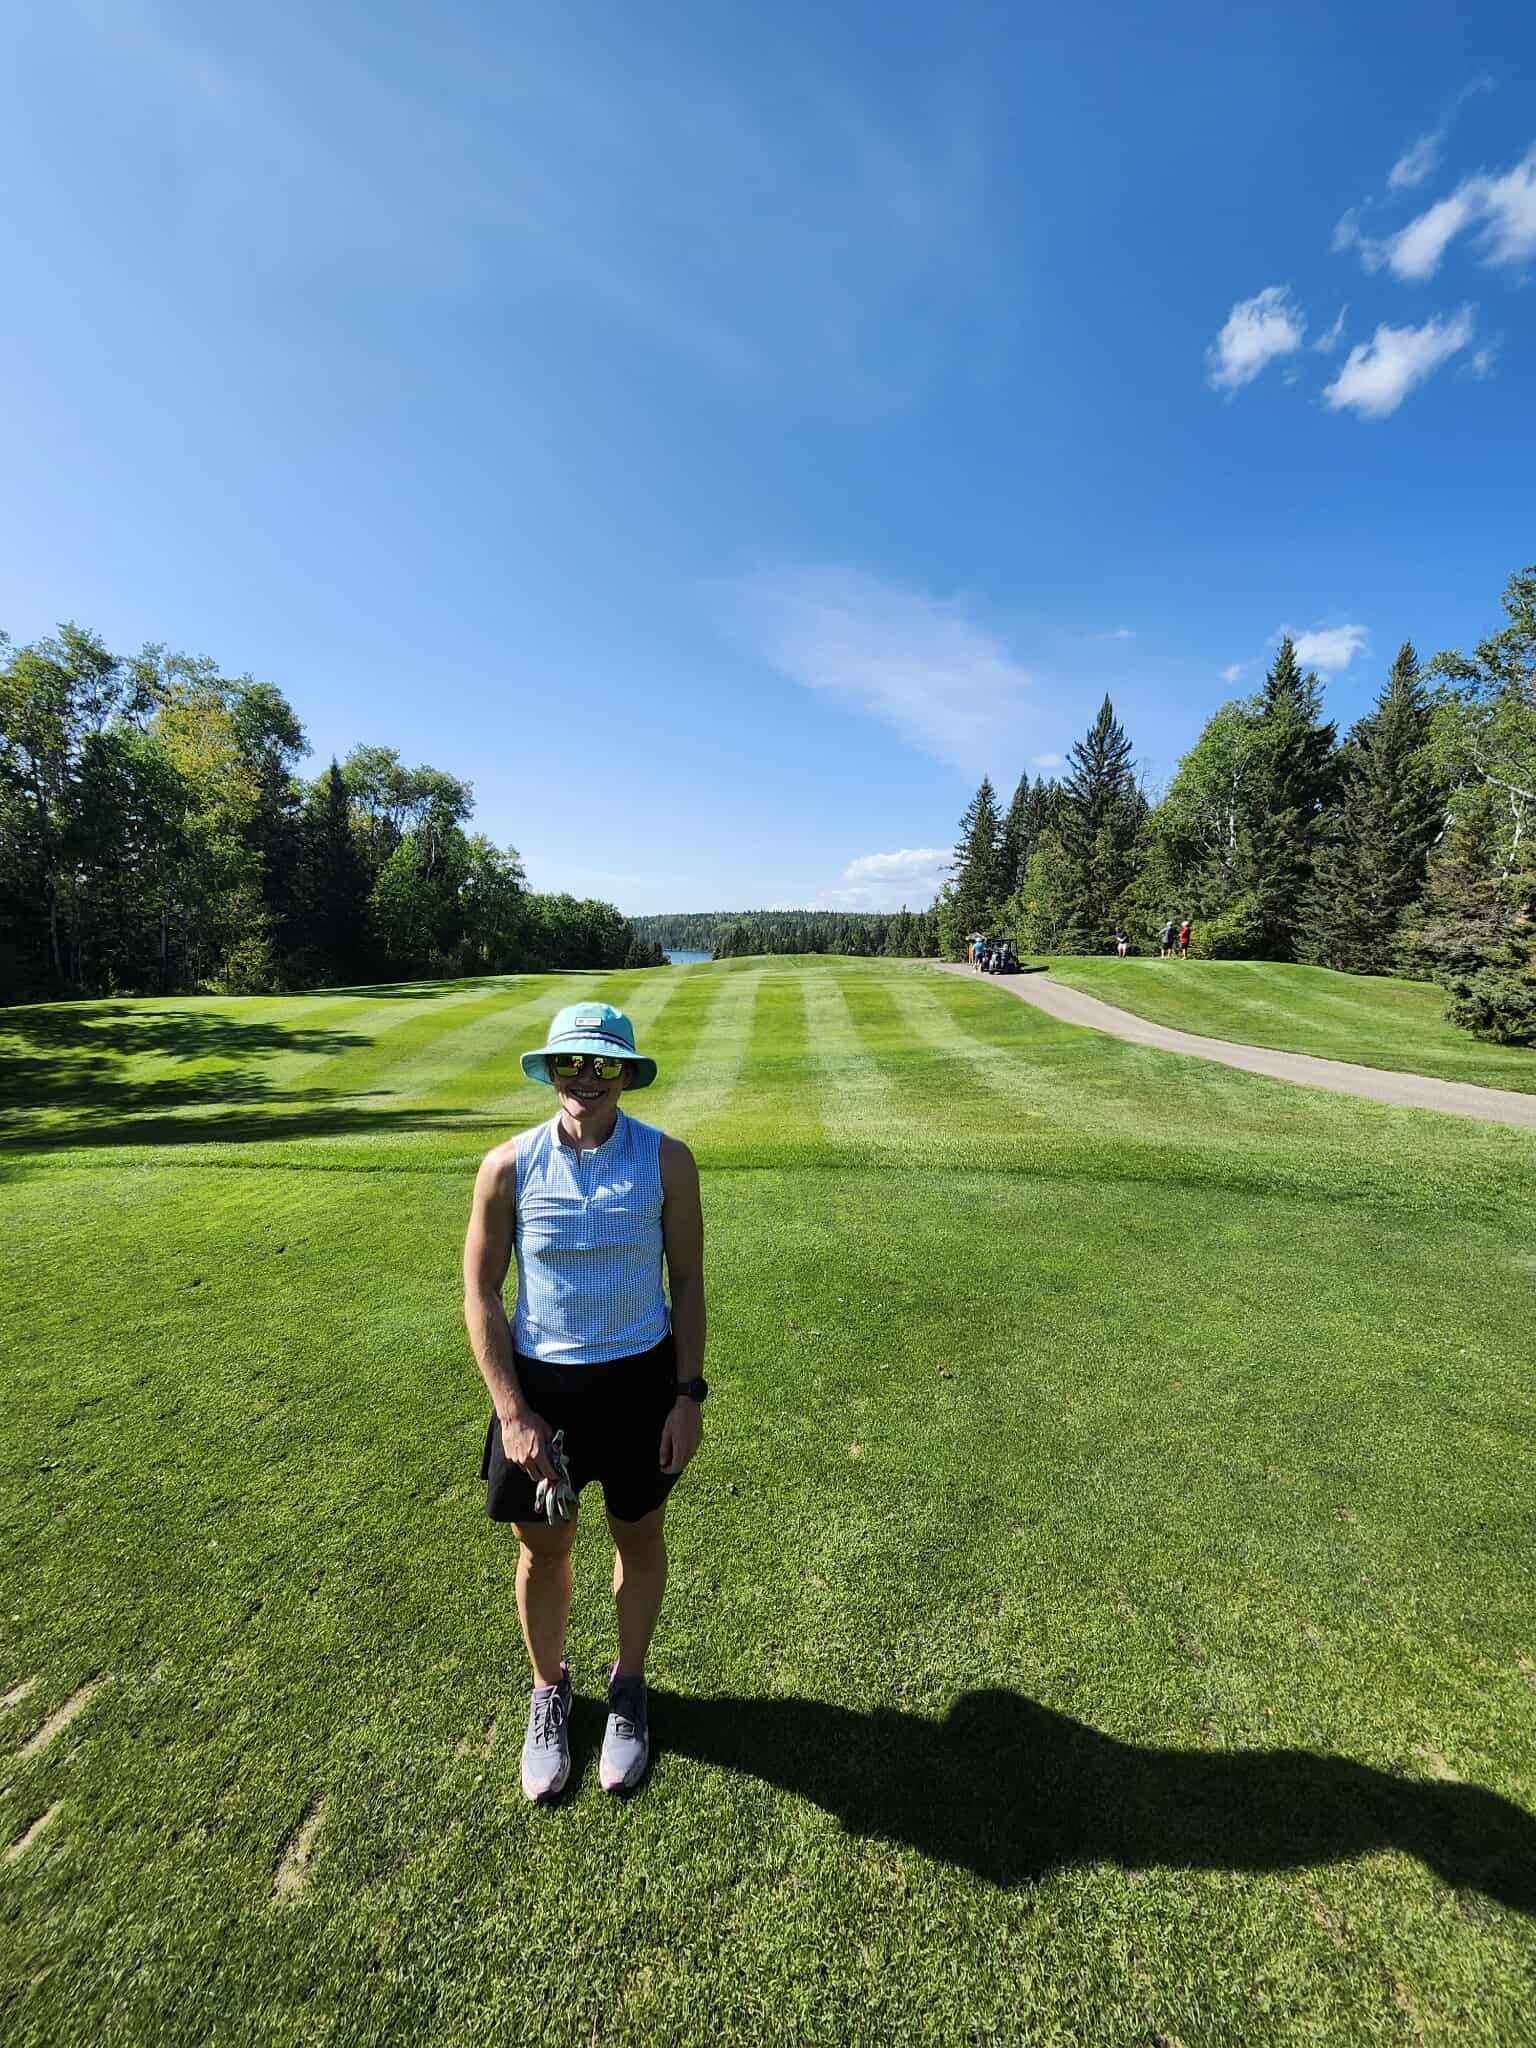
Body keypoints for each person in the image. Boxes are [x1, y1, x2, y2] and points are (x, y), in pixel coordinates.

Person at [462, 1000, 707, 1804]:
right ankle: (549, 1691)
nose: (587, 1078)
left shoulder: (668, 1161)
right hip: (544, 1394)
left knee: (638, 1536)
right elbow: (481, 1292)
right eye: (573, 1062)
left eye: (605, 1064)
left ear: (627, 1073)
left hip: (640, 1385)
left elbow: (688, 1283)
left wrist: (686, 1396)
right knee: (544, 1550)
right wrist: (513, 1413)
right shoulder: (508, 1166)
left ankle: (628, 1688)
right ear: (552, 1069)